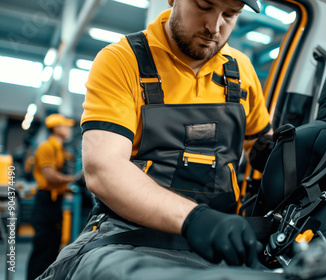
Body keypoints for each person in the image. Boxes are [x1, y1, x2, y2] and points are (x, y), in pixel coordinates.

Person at [37, 0, 276, 279]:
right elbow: (103, 169)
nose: (214, 27)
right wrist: (194, 219)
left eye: (230, 14)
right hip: (127, 237)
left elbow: (263, 148)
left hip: (220, 241)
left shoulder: (241, 70)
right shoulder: (122, 60)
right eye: (204, 5)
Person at [27, 113, 77, 280]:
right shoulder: (46, 147)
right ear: (56, 128)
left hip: (56, 202)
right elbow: (50, 176)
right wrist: (75, 178)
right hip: (45, 202)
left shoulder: (62, 150)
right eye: (65, 125)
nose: (68, 128)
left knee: (53, 246)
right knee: (43, 247)